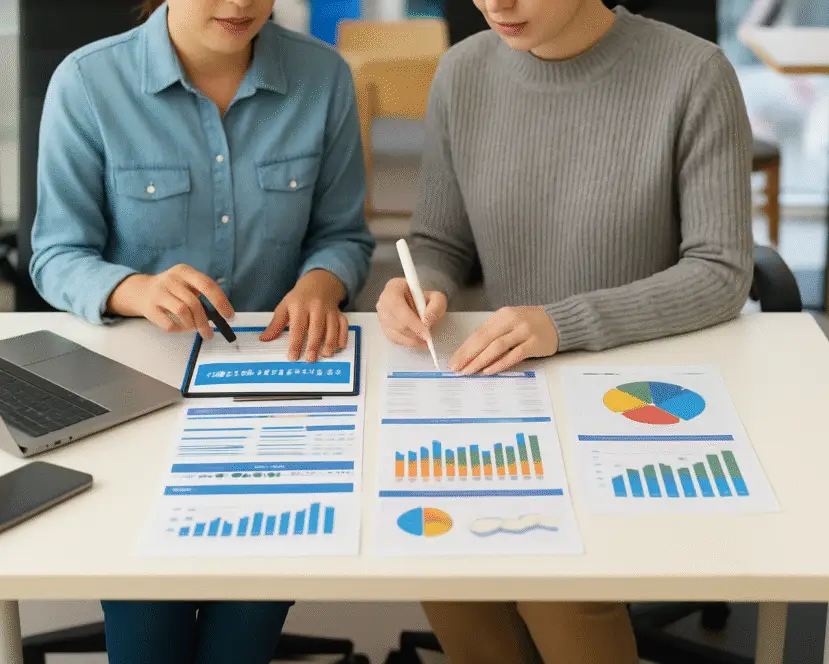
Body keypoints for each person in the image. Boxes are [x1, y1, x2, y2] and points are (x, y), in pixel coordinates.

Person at [376, 0, 753, 662]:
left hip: (638, 395)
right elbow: (440, 240)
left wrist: (562, 323)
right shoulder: (462, 72)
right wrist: (421, 285)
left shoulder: (695, 74)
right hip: (510, 391)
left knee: (557, 587)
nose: (496, 4)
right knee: (440, 555)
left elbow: (721, 273)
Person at [29, 0, 373, 662]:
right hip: (138, 397)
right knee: (147, 629)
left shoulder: (323, 76)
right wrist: (137, 290)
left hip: (274, 394)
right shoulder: (89, 82)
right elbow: (56, 255)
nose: (240, 5)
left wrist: (320, 284)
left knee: (244, 627)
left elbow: (343, 236)